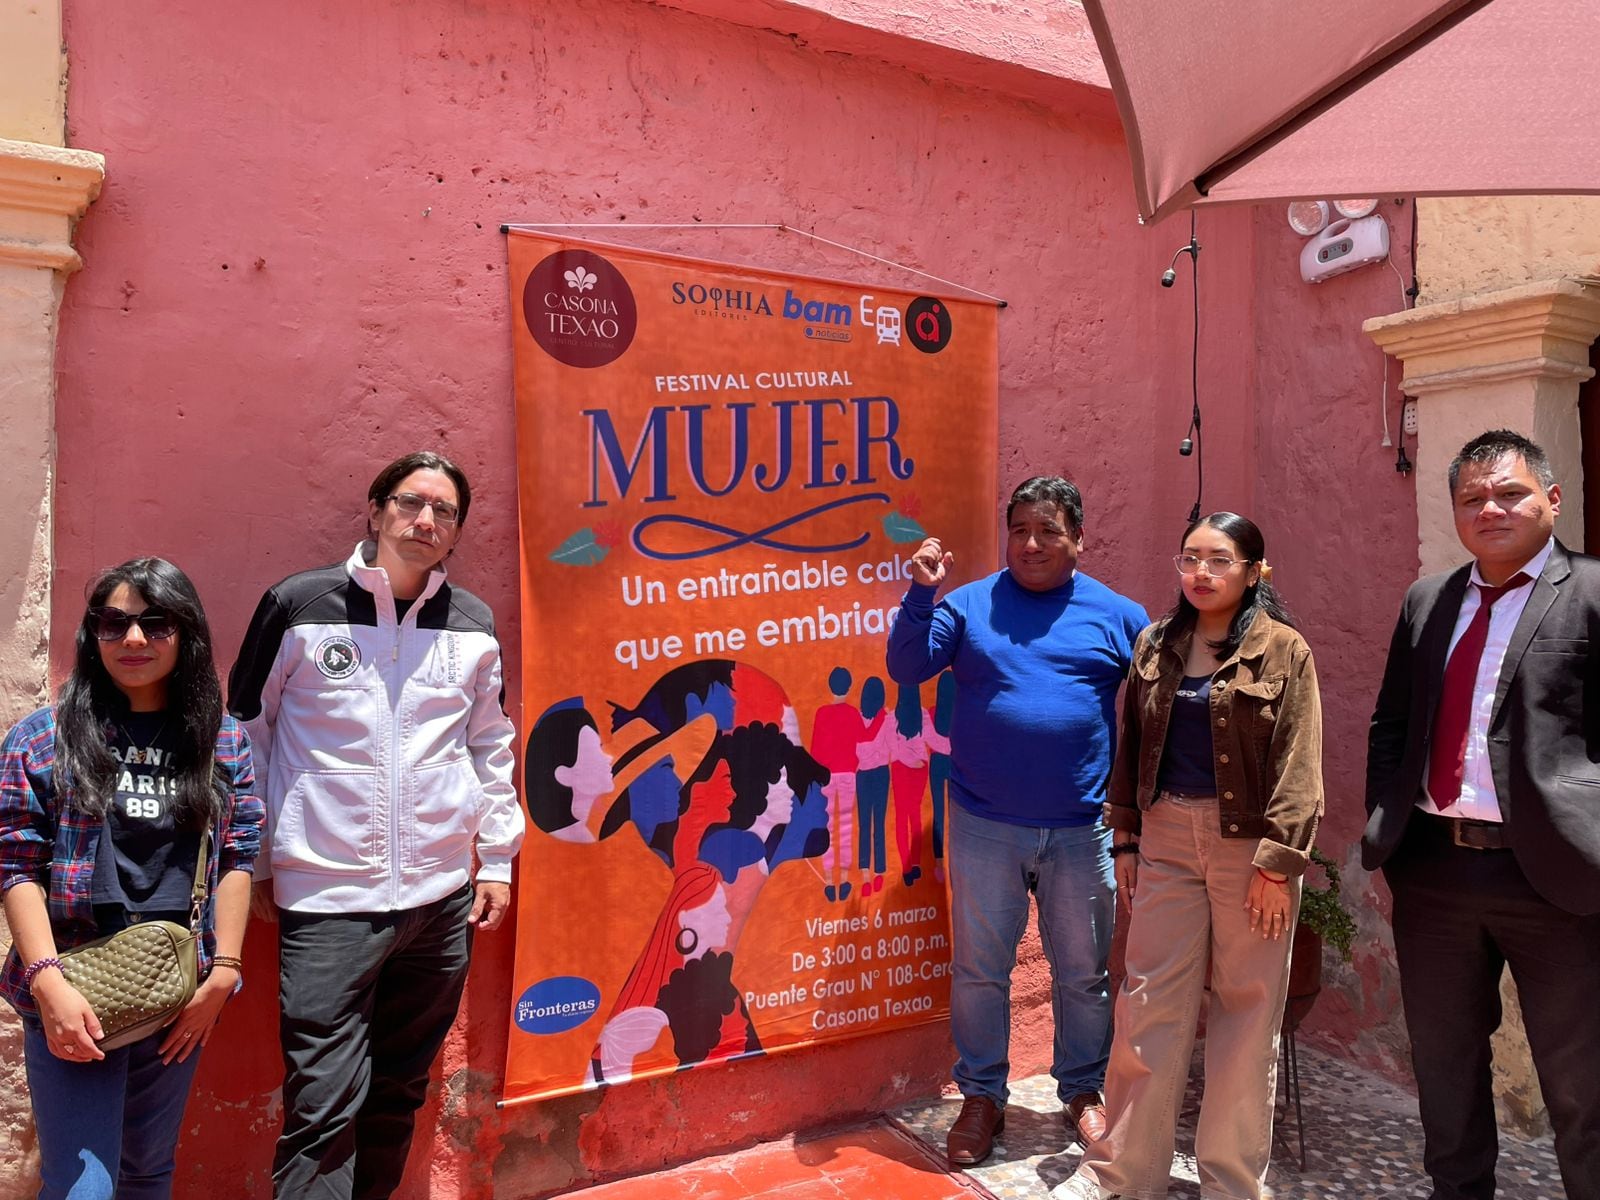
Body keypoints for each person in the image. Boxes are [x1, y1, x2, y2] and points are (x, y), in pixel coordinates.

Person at [228, 450, 525, 1200]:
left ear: (456, 531)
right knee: (322, 1109)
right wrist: (256, 860)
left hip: (438, 905)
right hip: (328, 904)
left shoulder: (474, 626)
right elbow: (243, 736)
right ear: (375, 509)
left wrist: (494, 860)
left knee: (397, 1094)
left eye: (445, 511)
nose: (426, 521)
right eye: (410, 503)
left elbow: (489, 744)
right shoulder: (298, 606)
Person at [1364, 429, 1600, 1200]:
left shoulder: (1594, 591)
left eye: (1510, 493)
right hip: (1434, 872)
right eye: (1472, 498)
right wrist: (1385, 828)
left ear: (1552, 500)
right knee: (1445, 1072)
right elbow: (1391, 723)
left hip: (1557, 881)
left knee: (1582, 1084)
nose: (1490, 508)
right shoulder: (1427, 600)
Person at [887, 475, 1148, 1167]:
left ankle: (1083, 1093)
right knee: (980, 971)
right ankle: (981, 1098)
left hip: (1081, 829)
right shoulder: (969, 606)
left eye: (1049, 531)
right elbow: (906, 664)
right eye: (1021, 529)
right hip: (984, 826)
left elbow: (1156, 717)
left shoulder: (1121, 617)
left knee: (1084, 973)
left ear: (1079, 539)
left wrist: (1132, 822)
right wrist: (920, 594)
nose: (1031, 544)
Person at [1064, 513, 1322, 1200]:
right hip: (1167, 834)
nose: (1201, 573)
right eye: (1189, 559)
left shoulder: (1284, 651)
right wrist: (1124, 836)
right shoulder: (1155, 643)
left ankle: (1231, 1183)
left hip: (1251, 848)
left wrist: (1278, 864)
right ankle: (1122, 1173)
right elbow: (1130, 741)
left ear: (1254, 571)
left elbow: (1301, 765)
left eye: (1219, 560)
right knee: (1148, 1001)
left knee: (1246, 1010)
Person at [1, 558, 261, 1200]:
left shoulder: (221, 742)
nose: (134, 640)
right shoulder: (43, 738)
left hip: (179, 986)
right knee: (84, 1184)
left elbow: (237, 857)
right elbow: (16, 865)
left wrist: (222, 974)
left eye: (155, 623)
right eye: (113, 624)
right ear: (93, 635)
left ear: (186, 633)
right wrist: (47, 985)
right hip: (76, 980)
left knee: (147, 1171)